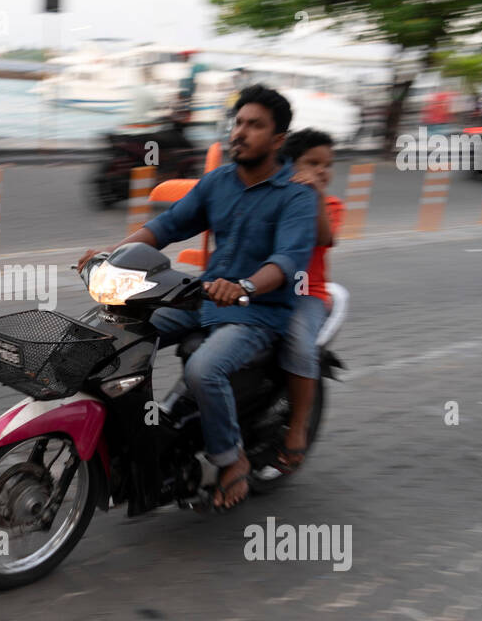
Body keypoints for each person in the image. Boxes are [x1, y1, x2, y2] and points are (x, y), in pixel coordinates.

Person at [78, 84, 317, 510]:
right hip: (202, 300)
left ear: (278, 139)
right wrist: (112, 256)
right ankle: (131, 438)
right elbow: (166, 226)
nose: (240, 132)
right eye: (238, 122)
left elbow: (287, 259)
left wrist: (244, 286)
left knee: (204, 370)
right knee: (111, 332)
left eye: (255, 125)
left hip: (257, 313)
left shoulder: (296, 196)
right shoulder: (218, 182)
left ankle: (232, 459)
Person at [275, 129, 343, 475]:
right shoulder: (275, 196)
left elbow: (324, 236)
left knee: (300, 345)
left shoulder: (329, 204)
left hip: (307, 296)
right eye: (312, 163)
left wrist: (315, 195)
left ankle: (298, 426)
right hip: (265, 291)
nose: (322, 171)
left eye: (326, 165)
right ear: (289, 165)